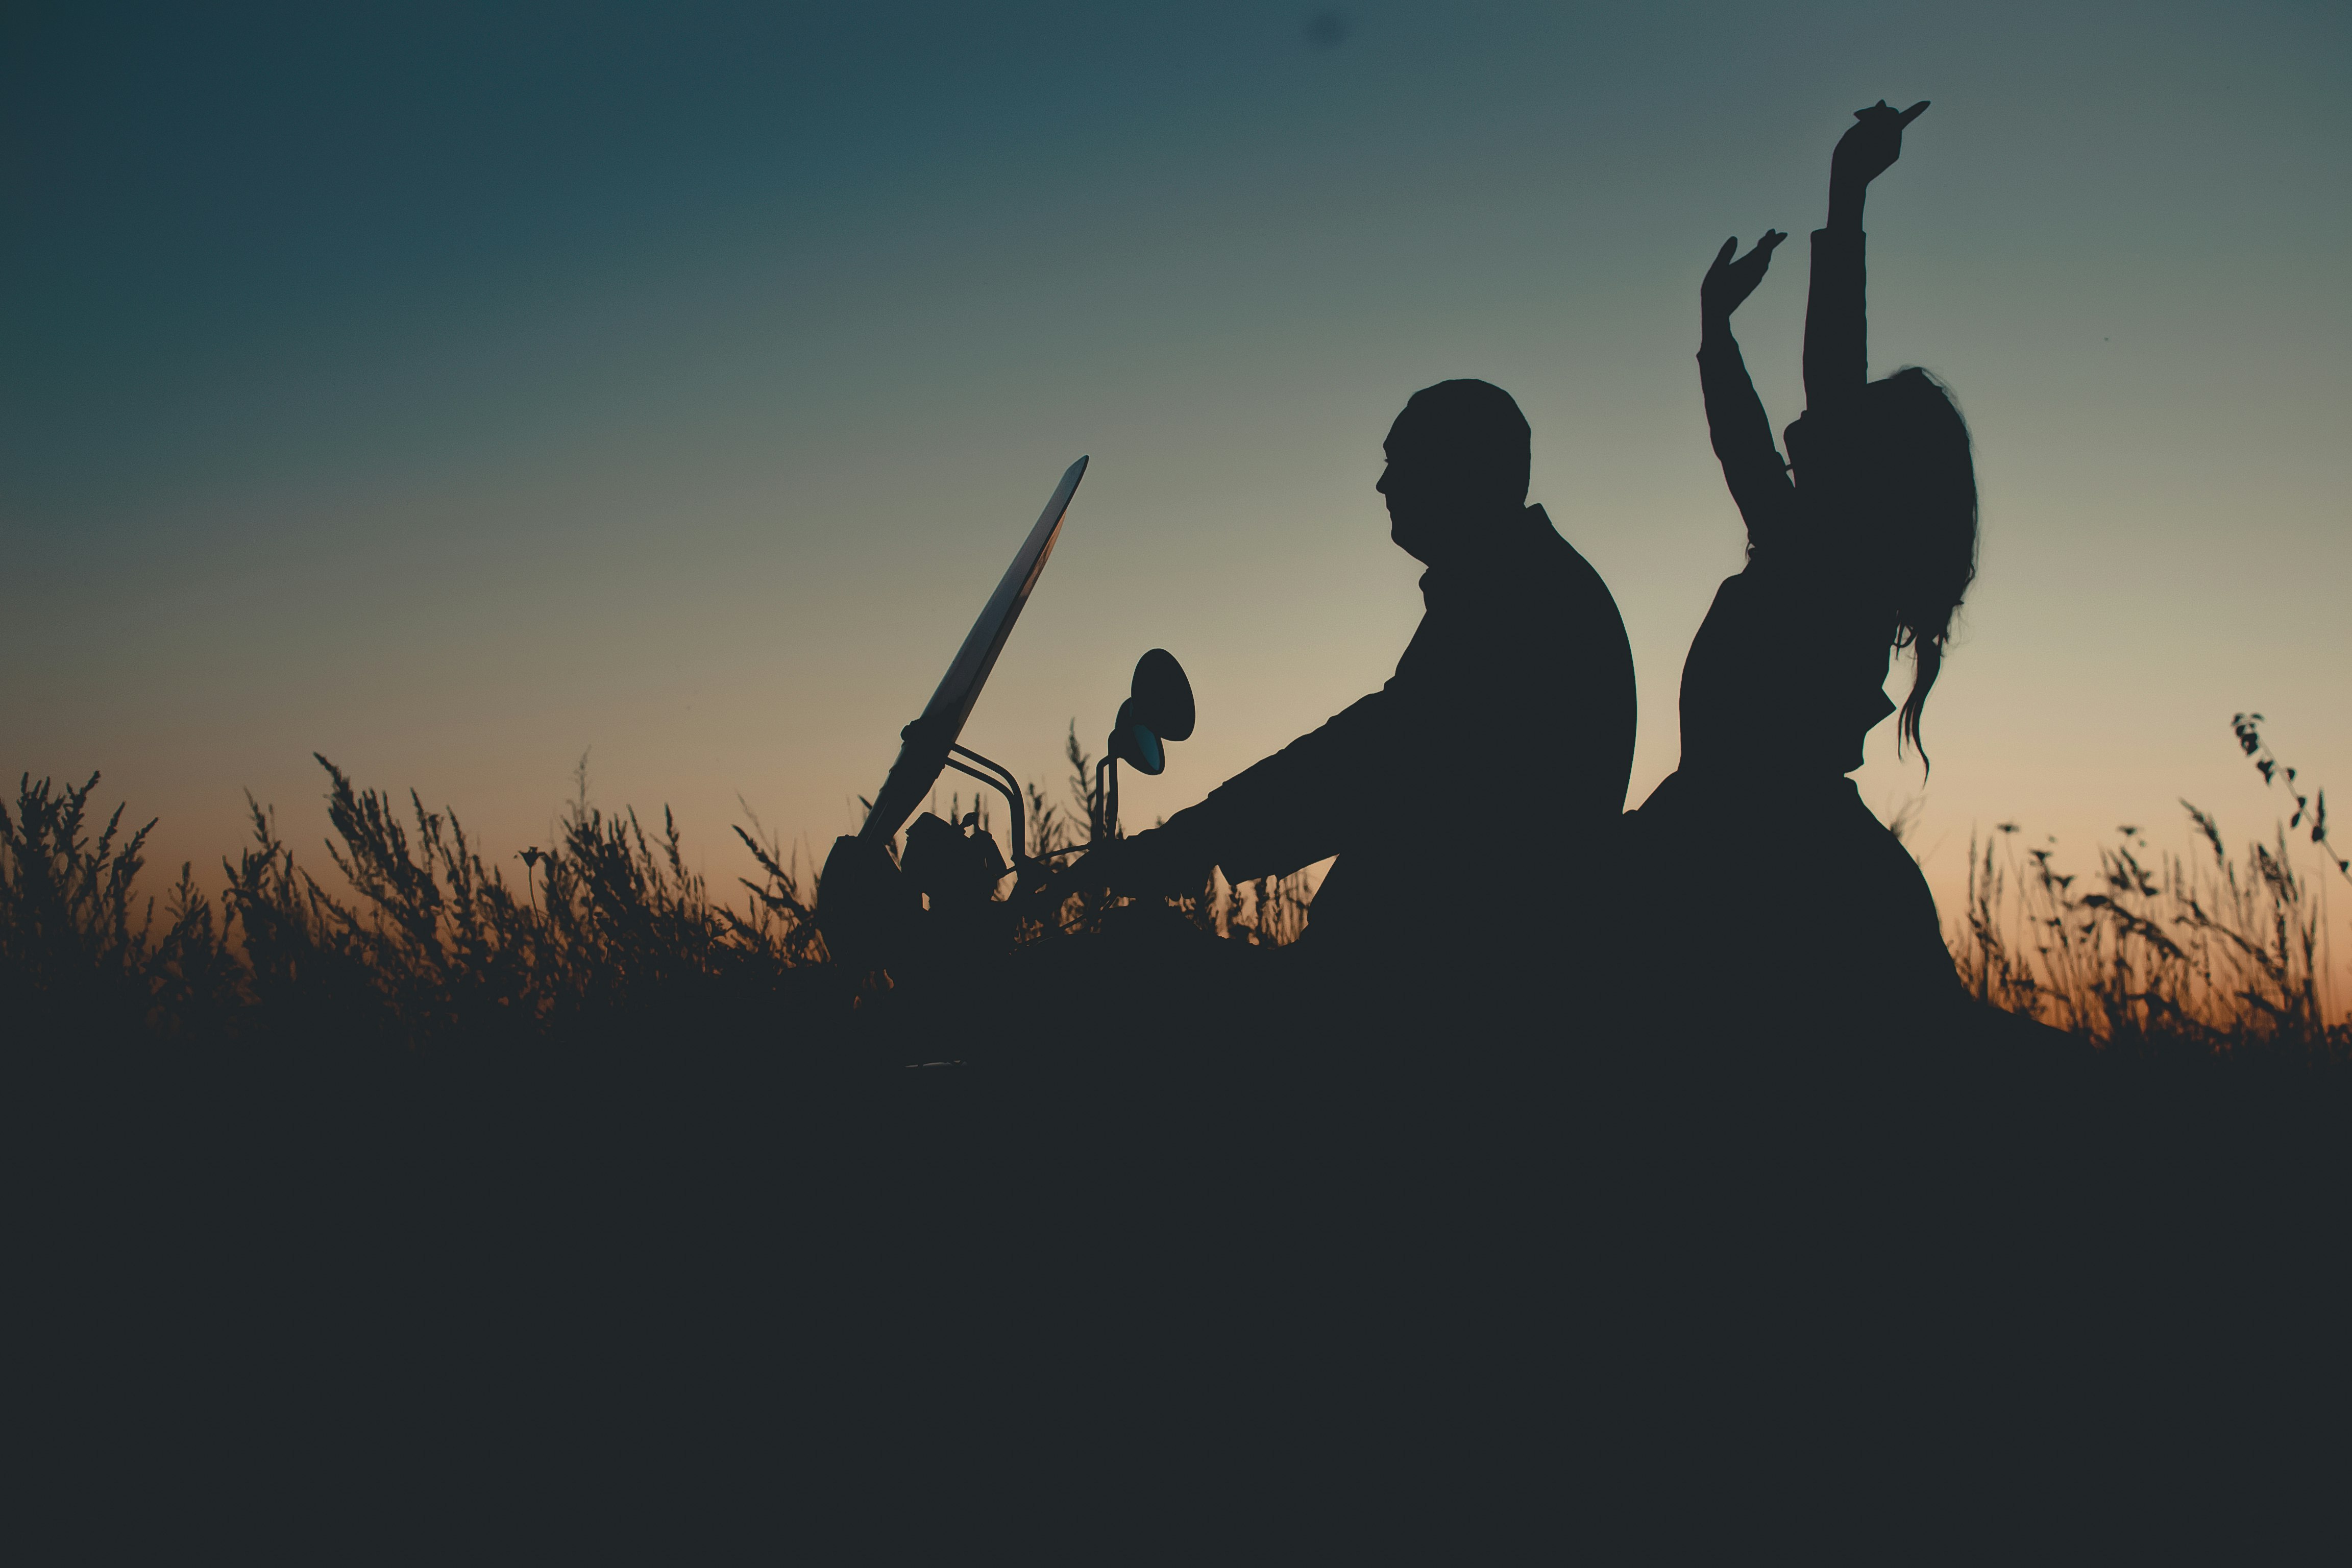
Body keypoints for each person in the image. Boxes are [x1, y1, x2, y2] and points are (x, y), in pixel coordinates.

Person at [1098, 378, 1637, 988]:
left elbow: (1374, 755)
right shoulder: (1515, 585)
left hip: (1442, 980)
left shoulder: (1522, 602)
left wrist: (1190, 841)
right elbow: (1377, 745)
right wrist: (1198, 839)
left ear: (1459, 469)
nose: (1383, 485)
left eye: (1398, 463)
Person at [1629, 100, 1976, 1036]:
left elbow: (1827, 370)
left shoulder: (1829, 564)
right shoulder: (1805, 551)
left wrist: (1846, 194)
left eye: (1853, 421)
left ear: (1874, 476)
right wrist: (1714, 328)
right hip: (1713, 829)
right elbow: (1743, 443)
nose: (1825, 417)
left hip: (1739, 849)